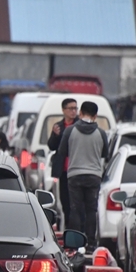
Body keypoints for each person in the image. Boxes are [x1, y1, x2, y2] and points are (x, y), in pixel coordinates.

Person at [56, 101, 108, 252]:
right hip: (94, 175)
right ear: (95, 116)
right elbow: (105, 153)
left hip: (74, 175)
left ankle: (74, 243)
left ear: (80, 114)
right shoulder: (101, 133)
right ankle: (91, 244)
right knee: (91, 210)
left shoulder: (70, 131)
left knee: (75, 209)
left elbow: (62, 151)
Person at [47, 98, 78, 226]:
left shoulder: (79, 126)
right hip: (64, 170)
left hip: (77, 169)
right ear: (63, 110)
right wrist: (55, 135)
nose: (73, 111)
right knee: (65, 203)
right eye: (70, 108)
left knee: (76, 204)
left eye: (75, 108)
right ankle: (69, 230)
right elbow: (52, 146)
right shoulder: (58, 126)